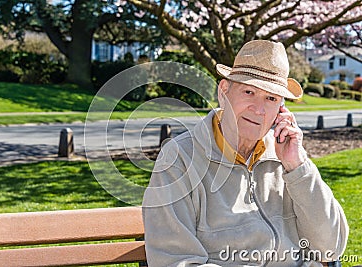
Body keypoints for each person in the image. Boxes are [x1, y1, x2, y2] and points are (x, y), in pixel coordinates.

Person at [142, 40, 349, 267]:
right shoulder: (180, 158)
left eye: (271, 98)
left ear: (281, 109)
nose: (259, 109)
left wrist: (298, 168)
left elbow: (330, 248)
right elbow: (174, 260)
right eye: (249, 91)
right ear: (224, 92)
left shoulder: (286, 156)